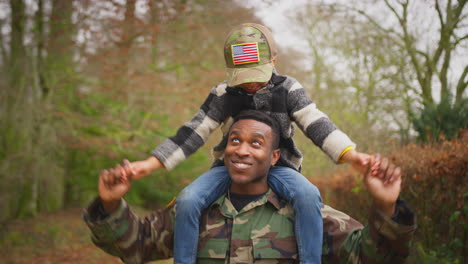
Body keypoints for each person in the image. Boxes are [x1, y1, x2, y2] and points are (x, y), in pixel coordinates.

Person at [126, 23, 371, 263]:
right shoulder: (223, 93)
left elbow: (316, 123)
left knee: (308, 195)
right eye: (242, 77)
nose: (250, 84)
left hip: (281, 167)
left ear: (273, 62)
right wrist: (151, 163)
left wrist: (351, 156)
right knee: (188, 199)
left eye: (256, 75)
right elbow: (194, 131)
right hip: (230, 168)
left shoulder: (287, 89)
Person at [84, 111, 416, 263]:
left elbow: (375, 257)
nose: (241, 149)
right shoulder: (193, 210)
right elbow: (136, 247)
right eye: (234, 140)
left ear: (274, 157)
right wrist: (111, 205)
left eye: (255, 144)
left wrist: (387, 206)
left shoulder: (308, 214)